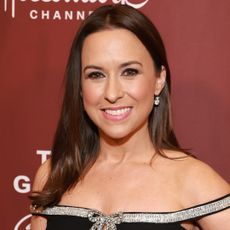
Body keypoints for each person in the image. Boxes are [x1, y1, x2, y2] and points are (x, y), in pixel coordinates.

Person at [30, 4, 230, 230]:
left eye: (130, 72)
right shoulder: (52, 175)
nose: (112, 93)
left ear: (158, 80)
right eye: (96, 75)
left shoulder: (194, 180)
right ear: (80, 86)